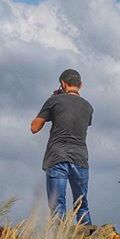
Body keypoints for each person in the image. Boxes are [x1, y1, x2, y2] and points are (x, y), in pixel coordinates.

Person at [30, 69, 94, 225]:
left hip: (57, 156)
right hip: (80, 158)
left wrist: (53, 104)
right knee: (81, 204)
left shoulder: (54, 101)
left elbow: (34, 127)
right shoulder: (88, 106)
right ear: (81, 85)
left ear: (63, 84)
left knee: (57, 205)